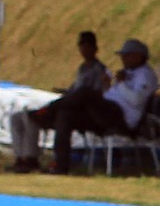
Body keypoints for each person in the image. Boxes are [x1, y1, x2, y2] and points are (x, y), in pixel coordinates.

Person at [36, 38, 159, 175]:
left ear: (138, 56)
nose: (123, 59)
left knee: (86, 92)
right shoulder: (127, 73)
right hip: (106, 112)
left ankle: (47, 111)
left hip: (121, 116)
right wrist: (107, 85)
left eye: (127, 55)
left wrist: (122, 83)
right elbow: (113, 95)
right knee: (66, 115)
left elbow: (136, 100)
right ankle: (60, 164)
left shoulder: (145, 75)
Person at [10, 31, 111, 173]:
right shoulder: (82, 69)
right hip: (70, 103)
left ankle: (31, 157)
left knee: (42, 117)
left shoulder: (100, 70)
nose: (84, 49)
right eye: (81, 46)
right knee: (18, 117)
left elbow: (95, 94)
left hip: (82, 109)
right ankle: (20, 157)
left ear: (95, 48)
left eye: (87, 46)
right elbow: (75, 89)